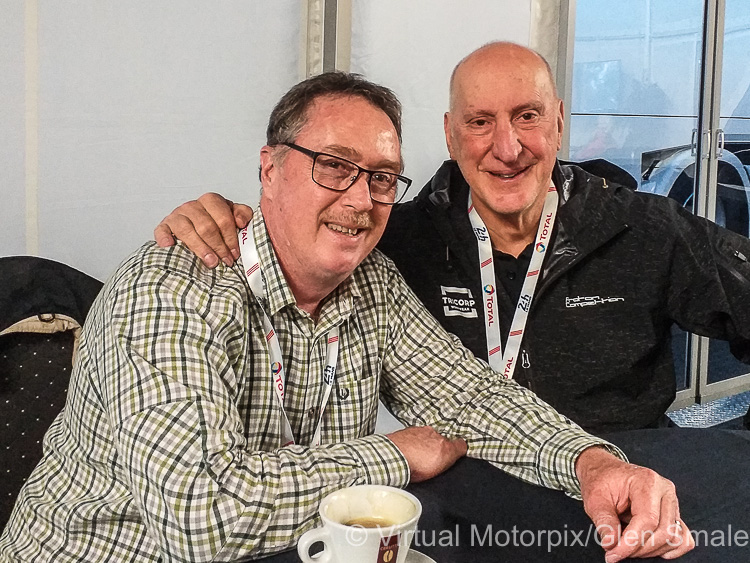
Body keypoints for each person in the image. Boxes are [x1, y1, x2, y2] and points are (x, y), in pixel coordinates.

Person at [0, 72, 693, 562]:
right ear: (269, 169)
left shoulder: (373, 285)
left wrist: (594, 463)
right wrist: (391, 455)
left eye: (383, 176)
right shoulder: (176, 289)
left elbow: (473, 398)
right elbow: (199, 519)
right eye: (335, 165)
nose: (361, 199)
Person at [156, 42, 750, 434]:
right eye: (479, 121)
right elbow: (304, 224)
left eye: (528, 116)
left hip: (619, 495)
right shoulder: (396, 240)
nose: (508, 148)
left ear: (560, 121)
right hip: (463, 505)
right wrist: (218, 219)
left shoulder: (644, 229)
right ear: (449, 133)